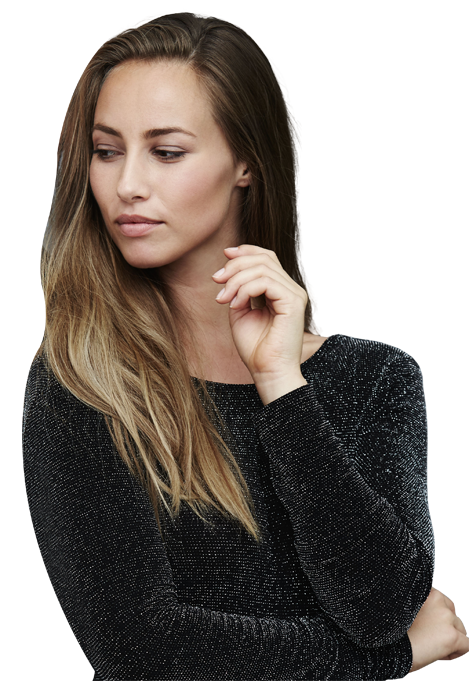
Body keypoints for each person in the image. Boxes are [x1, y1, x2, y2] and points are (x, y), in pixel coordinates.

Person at [22, 12, 468, 681]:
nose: (126, 184)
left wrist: (282, 384)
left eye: (166, 152)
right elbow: (140, 651)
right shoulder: (81, 383)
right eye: (107, 150)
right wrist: (392, 659)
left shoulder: (375, 378)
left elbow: (381, 603)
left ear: (246, 162)